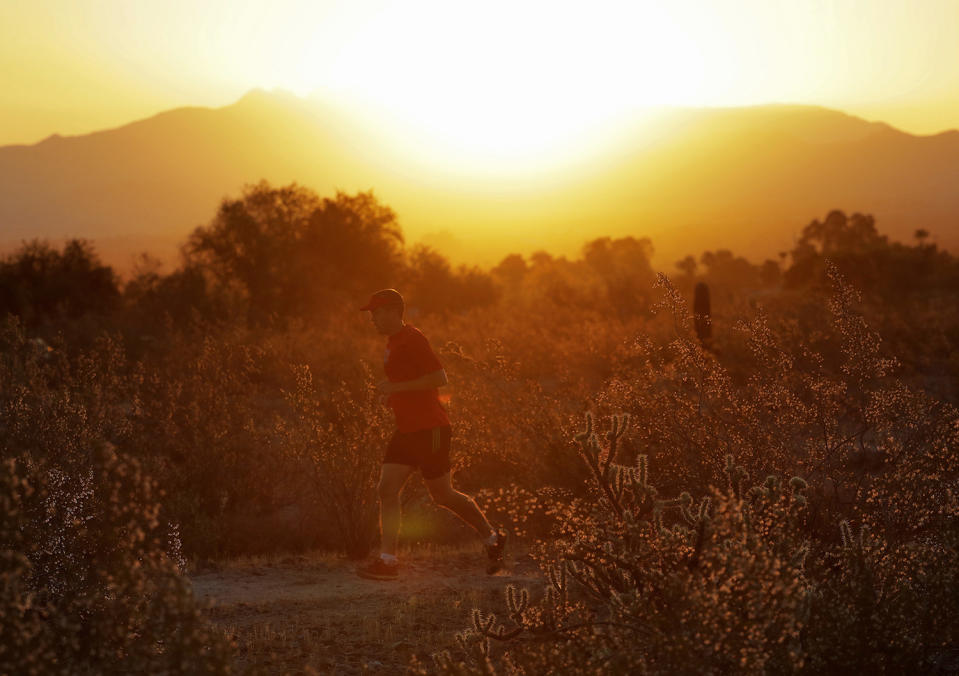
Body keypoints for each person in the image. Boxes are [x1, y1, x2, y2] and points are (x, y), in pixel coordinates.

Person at [355, 288, 506, 580]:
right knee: (386, 489)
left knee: (443, 495)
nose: (372, 319)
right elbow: (408, 381)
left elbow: (440, 378)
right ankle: (388, 562)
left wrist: (395, 389)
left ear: (393, 312)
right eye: (371, 314)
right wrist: (392, 396)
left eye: (376, 313)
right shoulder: (392, 342)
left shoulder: (413, 339)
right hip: (407, 430)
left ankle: (492, 537)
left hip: (433, 431)